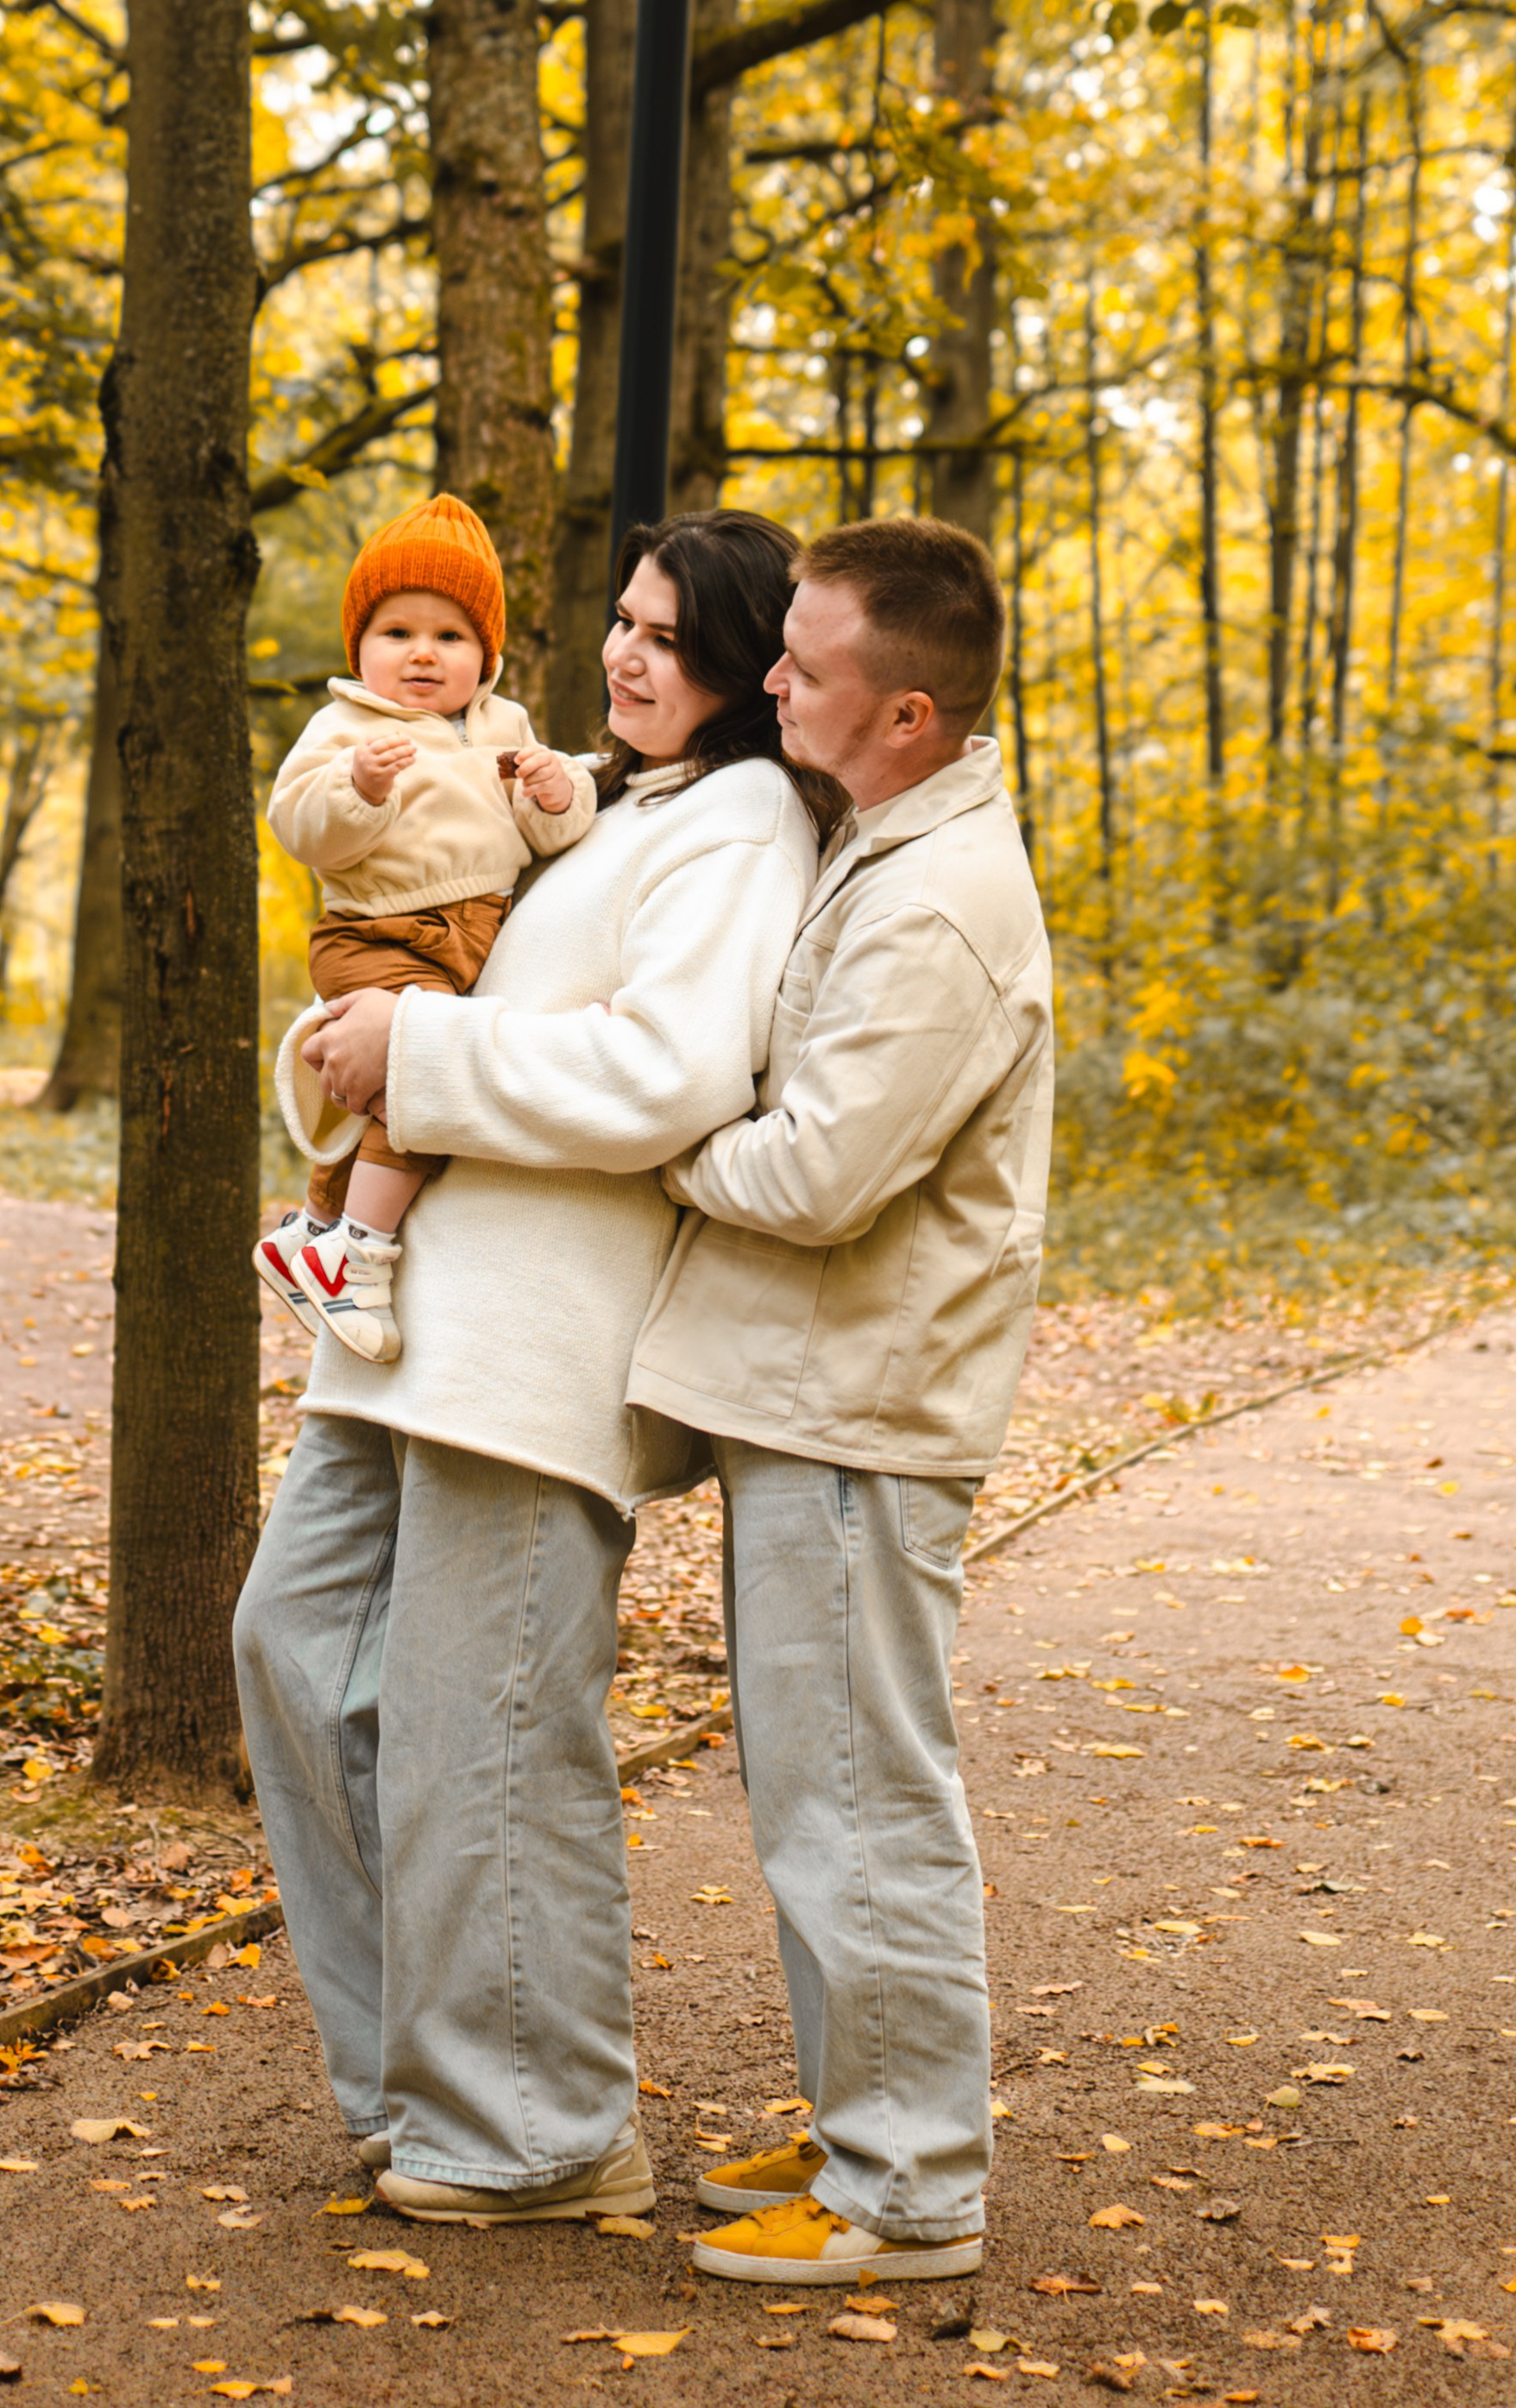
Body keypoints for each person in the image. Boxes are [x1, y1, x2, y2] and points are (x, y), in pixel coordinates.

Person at [233, 512, 840, 2223]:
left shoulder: (733, 823)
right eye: (623, 623)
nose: (630, 656)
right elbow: (424, 935)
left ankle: (538, 2121)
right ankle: (418, 2079)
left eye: (672, 636)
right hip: (412, 1322)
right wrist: (354, 1042)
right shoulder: (594, 794)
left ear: (745, 665)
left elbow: (666, 1070)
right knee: (291, 1644)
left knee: (479, 1723)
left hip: (538, 1339)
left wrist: (412, 1048)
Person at [623, 515, 1054, 2290]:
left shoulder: (942, 903)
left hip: (858, 1406)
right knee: (821, 1788)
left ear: (912, 714)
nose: (771, 679)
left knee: (863, 1796)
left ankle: (907, 2185)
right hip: (811, 1397)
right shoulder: (881, 835)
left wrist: (648, 1125)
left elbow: (813, 1171)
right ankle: (856, 2117)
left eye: (805, 666)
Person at [253, 492, 596, 1363]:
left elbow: (547, 833)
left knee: (385, 1088)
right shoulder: (344, 726)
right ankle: (359, 1254)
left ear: (486, 652)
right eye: (397, 632)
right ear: (359, 647)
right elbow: (299, 826)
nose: (422, 653)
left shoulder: (504, 725)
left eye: (450, 636)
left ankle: (314, 1227)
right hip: (377, 931)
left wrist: (556, 796)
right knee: (414, 1088)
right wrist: (358, 789)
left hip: (475, 931)